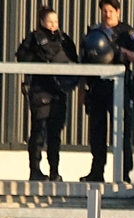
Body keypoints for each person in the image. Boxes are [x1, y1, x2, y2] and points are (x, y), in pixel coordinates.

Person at [79, 0, 134, 183]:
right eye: (104, 11)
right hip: (97, 88)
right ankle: (96, 173)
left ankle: (124, 174)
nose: (107, 14)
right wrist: (82, 90)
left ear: (118, 12)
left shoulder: (126, 32)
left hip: (119, 88)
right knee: (97, 133)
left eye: (110, 11)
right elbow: (83, 61)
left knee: (122, 133)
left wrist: (120, 50)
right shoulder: (94, 32)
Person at [15, 7, 79, 182]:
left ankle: (54, 172)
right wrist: (37, 57)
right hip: (40, 90)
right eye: (50, 22)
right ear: (42, 22)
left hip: (59, 91)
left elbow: (75, 61)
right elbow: (21, 57)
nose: (53, 25)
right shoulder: (34, 39)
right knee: (39, 131)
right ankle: (35, 170)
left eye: (56, 22)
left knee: (55, 134)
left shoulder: (64, 40)